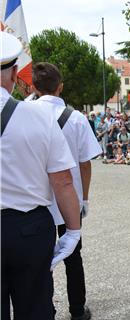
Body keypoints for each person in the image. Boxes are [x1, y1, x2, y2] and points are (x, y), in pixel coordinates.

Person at [1, 31, 81, 320]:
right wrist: (73, 231)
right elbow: (62, 180)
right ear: (13, 74)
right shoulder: (39, 116)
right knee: (34, 308)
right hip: (27, 227)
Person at [31, 62, 101, 320]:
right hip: (69, 199)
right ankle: (77, 310)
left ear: (35, 87)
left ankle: (44, 309)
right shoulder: (78, 119)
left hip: (36, 199)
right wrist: (84, 198)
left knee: (38, 259)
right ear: (60, 87)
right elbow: (85, 163)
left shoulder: (25, 114)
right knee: (74, 257)